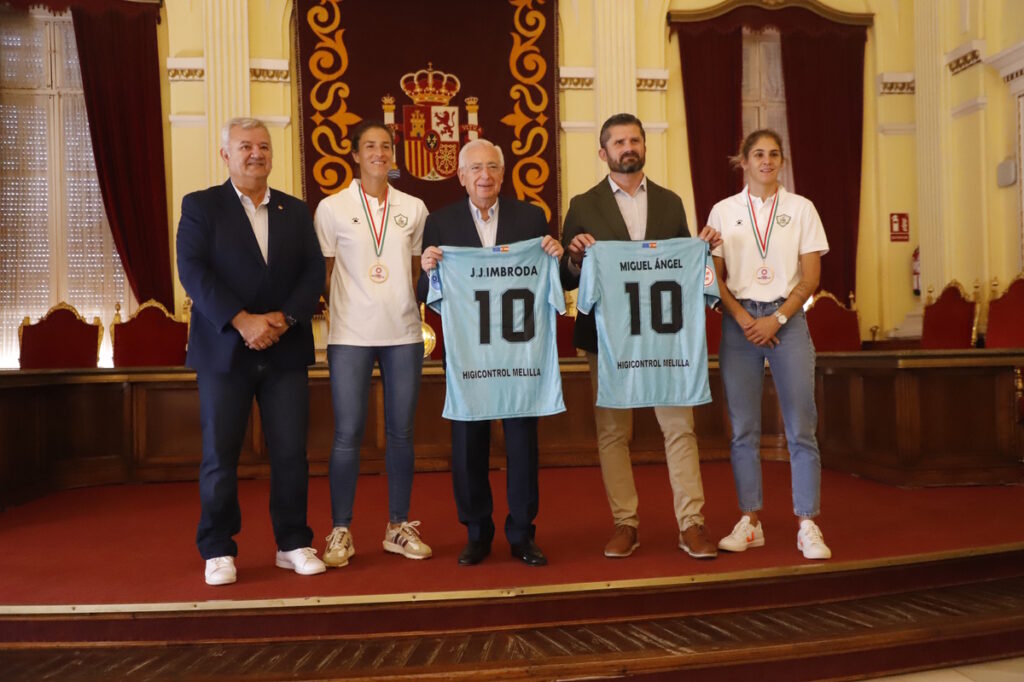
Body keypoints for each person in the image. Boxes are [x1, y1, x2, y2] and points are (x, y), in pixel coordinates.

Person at [560, 113, 720, 561]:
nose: (627, 147)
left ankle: (691, 522)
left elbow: (683, 269)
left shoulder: (671, 203)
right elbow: (566, 278)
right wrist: (574, 260)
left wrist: (703, 250)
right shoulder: (583, 204)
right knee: (612, 433)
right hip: (608, 341)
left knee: (679, 428)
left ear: (644, 146)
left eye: (634, 140)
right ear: (603, 152)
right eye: (618, 142)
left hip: (664, 338)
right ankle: (625, 524)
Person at [177, 117, 326, 586]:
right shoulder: (201, 206)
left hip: (285, 349)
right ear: (226, 155)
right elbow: (193, 271)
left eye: (263, 146)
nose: (255, 154)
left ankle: (293, 543)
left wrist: (282, 319)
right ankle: (218, 548)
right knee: (220, 455)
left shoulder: (295, 210)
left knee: (290, 454)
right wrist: (242, 322)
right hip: (224, 350)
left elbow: (313, 271)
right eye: (245, 146)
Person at [418, 138, 564, 567]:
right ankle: (477, 532)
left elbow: (552, 281)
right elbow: (428, 294)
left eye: (492, 167)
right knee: (468, 445)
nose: (484, 176)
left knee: (522, 444)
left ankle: (522, 533)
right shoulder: (441, 224)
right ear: (461, 177)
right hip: (469, 357)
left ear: (503, 174)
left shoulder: (531, 218)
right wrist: (428, 270)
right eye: (475, 168)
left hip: (520, 357)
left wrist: (555, 257)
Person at [707, 129, 832, 560]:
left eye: (774, 154)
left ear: (782, 161)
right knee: (743, 430)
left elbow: (811, 277)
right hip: (739, 323)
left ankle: (807, 522)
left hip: (789, 320)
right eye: (757, 154)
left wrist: (776, 318)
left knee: (801, 425)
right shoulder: (723, 211)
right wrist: (745, 320)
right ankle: (750, 520)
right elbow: (714, 278)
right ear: (743, 161)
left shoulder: (801, 209)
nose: (766, 161)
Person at [313, 121, 431, 568]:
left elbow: (421, 272)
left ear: (393, 154)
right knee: (347, 434)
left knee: (402, 433)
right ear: (356, 155)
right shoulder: (332, 208)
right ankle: (341, 530)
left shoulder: (414, 208)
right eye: (369, 146)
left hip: (403, 333)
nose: (379, 152)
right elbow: (321, 275)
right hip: (349, 335)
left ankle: (398, 527)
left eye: (385, 146)